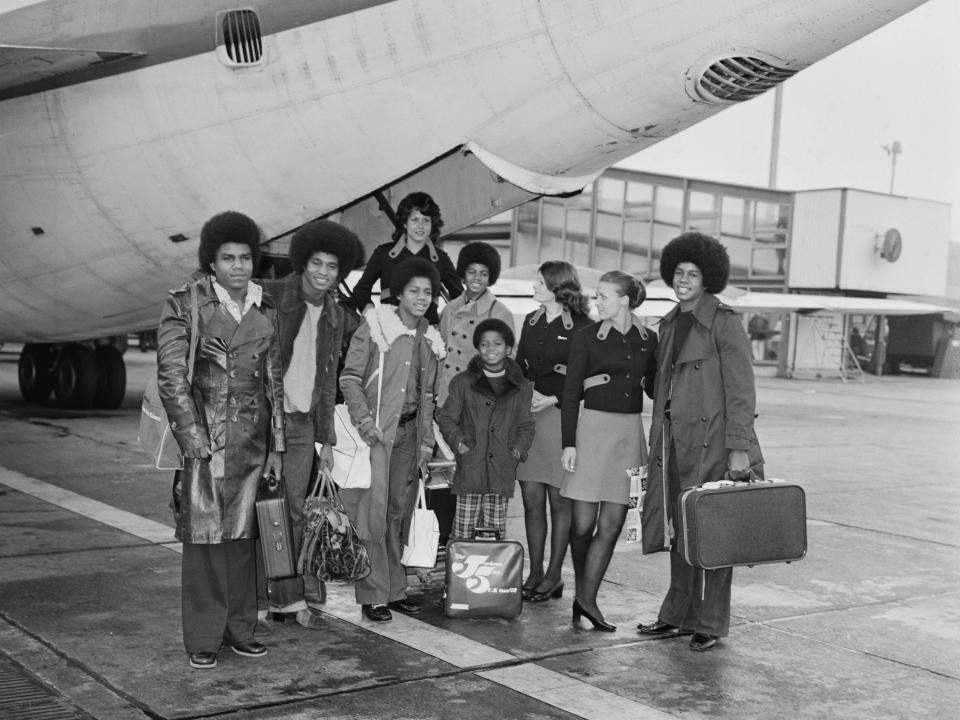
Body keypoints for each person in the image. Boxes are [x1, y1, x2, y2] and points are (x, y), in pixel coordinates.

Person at [157, 211, 285, 669]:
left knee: (243, 540)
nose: (238, 266)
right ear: (211, 262)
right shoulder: (185, 303)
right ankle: (203, 638)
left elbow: (274, 382)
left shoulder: (265, 307)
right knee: (205, 539)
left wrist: (278, 448)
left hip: (253, 441)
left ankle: (240, 628)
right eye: (227, 258)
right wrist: (191, 437)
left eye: (245, 257)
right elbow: (171, 376)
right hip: (206, 441)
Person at [638, 232, 764, 652]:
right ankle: (677, 614)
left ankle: (710, 622)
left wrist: (738, 447)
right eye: (678, 272)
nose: (684, 279)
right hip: (675, 444)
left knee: (713, 535)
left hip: (714, 444)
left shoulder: (725, 323)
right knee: (679, 531)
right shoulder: (670, 323)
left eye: (692, 273)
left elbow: (741, 390)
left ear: (708, 278)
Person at [260, 219, 362, 629]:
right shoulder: (272, 295)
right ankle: (253, 598)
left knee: (291, 513)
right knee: (254, 513)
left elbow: (326, 384)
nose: (323, 272)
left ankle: (287, 599)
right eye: (316, 263)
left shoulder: (336, 316)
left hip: (302, 425)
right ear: (303, 262)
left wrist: (326, 442)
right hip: (263, 419)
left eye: (332, 267)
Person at [338, 257, 445, 622]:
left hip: (411, 437)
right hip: (377, 437)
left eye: (428, 292)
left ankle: (395, 589)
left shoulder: (430, 336)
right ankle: (373, 594)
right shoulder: (374, 326)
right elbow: (349, 377)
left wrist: (427, 443)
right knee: (374, 514)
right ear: (398, 293)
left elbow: (427, 395)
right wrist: (365, 422)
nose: (422, 298)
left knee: (397, 513)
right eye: (414, 291)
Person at [560, 271, 657, 631]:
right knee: (583, 524)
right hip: (591, 432)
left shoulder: (650, 339)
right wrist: (568, 443)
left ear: (625, 300)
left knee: (612, 523)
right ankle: (583, 598)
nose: (596, 302)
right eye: (596, 295)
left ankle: (587, 600)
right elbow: (571, 394)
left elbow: (655, 386)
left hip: (629, 435)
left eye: (603, 296)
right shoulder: (585, 337)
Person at [515, 262, 593, 603]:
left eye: (540, 281)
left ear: (558, 287)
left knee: (559, 502)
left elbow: (592, 378)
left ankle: (554, 575)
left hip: (562, 418)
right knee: (532, 499)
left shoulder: (583, 327)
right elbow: (518, 365)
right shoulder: (531, 321)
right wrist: (523, 391)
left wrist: (554, 397)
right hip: (531, 418)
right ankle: (534, 572)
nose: (534, 285)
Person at [436, 318, 535, 541]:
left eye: (497, 343)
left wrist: (517, 451)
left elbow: (526, 424)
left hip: (501, 470)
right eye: (484, 344)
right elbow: (447, 418)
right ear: (478, 348)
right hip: (470, 470)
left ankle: (492, 576)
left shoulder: (521, 386)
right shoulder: (463, 382)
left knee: (494, 536)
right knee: (462, 534)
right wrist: (459, 443)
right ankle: (459, 575)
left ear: (509, 348)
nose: (491, 349)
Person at [350, 191, 462, 324]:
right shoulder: (383, 253)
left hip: (428, 336)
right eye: (414, 220)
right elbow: (361, 289)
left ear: (432, 224)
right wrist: (369, 308)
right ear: (404, 223)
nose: (420, 226)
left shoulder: (440, 258)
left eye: (426, 220)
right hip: (390, 333)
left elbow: (459, 296)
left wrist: (447, 322)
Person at [437, 241, 515, 406]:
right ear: (463, 275)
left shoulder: (500, 313)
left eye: (484, 273)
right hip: (446, 397)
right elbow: (441, 352)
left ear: (490, 278)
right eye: (471, 272)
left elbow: (509, 361)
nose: (477, 278)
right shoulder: (450, 309)